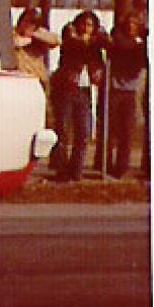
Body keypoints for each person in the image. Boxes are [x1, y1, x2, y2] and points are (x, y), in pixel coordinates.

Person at [49, 10, 110, 182]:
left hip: (84, 90)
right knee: (63, 130)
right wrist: (90, 41)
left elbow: (106, 49)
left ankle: (76, 170)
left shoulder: (94, 45)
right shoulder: (71, 38)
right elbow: (77, 47)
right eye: (83, 24)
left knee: (83, 131)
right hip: (67, 89)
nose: (86, 28)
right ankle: (61, 170)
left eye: (90, 25)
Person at [106, 13, 147, 178]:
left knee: (127, 131)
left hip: (130, 91)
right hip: (115, 89)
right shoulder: (119, 40)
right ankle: (106, 164)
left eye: (134, 24)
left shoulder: (140, 43)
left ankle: (122, 167)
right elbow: (120, 47)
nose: (131, 27)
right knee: (111, 129)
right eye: (129, 23)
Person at [12, 7, 60, 96]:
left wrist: (34, 34)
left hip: (39, 79)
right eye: (26, 21)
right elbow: (15, 42)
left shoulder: (38, 34)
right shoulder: (12, 33)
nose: (28, 25)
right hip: (21, 79)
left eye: (33, 22)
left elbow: (56, 40)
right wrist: (27, 38)